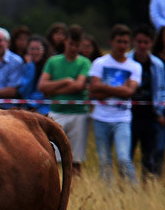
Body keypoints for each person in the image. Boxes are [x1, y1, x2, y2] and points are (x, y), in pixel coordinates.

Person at [88, 24, 141, 185]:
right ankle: (108, 195)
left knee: (124, 158)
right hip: (100, 118)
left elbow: (129, 92)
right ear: (111, 41)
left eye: (125, 42)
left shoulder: (134, 66)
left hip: (122, 119)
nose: (122, 46)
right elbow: (93, 91)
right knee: (104, 161)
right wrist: (120, 88)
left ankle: (134, 192)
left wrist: (104, 88)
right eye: (119, 41)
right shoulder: (99, 63)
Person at [39, 24, 92, 175]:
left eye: (77, 45)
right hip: (58, 112)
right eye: (71, 44)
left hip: (78, 113)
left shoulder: (84, 62)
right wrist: (66, 81)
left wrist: (54, 90)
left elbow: (79, 86)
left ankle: (76, 186)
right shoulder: (53, 61)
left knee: (75, 158)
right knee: (53, 155)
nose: (73, 48)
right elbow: (42, 86)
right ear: (65, 42)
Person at [130, 25, 165, 177]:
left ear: (151, 43)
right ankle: (125, 186)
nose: (142, 45)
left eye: (146, 42)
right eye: (139, 42)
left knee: (150, 155)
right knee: (127, 154)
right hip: (129, 116)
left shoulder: (157, 64)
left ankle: (148, 186)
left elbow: (161, 89)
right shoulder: (127, 61)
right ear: (134, 42)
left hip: (151, 116)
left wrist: (160, 112)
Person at [17, 35, 51, 114]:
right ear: (27, 50)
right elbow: (23, 91)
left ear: (44, 50)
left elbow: (44, 93)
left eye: (38, 49)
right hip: (27, 110)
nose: (35, 52)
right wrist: (30, 67)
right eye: (32, 49)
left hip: (44, 110)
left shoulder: (49, 66)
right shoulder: (25, 66)